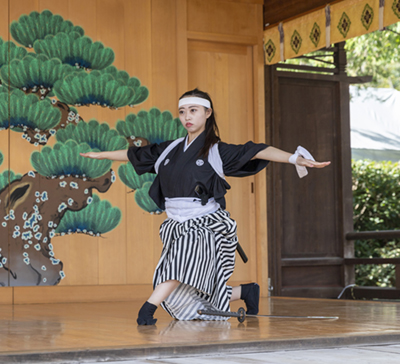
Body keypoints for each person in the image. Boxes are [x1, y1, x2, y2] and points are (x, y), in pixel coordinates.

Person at [81, 88, 330, 325]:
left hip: (205, 224)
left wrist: (294, 158)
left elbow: (257, 151)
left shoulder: (216, 151)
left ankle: (148, 307)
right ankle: (246, 291)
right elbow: (135, 155)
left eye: (193, 110)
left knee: (179, 265)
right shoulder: (169, 149)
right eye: (182, 112)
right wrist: (100, 155)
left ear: (207, 113)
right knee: (184, 297)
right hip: (175, 224)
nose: (187, 117)